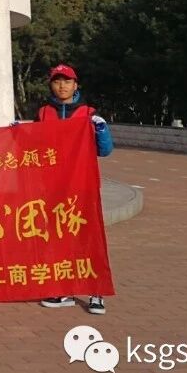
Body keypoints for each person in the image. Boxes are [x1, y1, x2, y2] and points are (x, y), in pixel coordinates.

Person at [36, 63, 113, 314]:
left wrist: (101, 130)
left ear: (75, 85)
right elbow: (33, 148)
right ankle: (64, 290)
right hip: (54, 187)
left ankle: (96, 292)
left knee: (88, 238)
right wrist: (16, 133)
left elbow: (105, 150)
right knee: (58, 238)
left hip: (82, 187)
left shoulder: (89, 113)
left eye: (67, 81)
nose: (62, 86)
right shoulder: (43, 113)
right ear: (51, 85)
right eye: (57, 81)